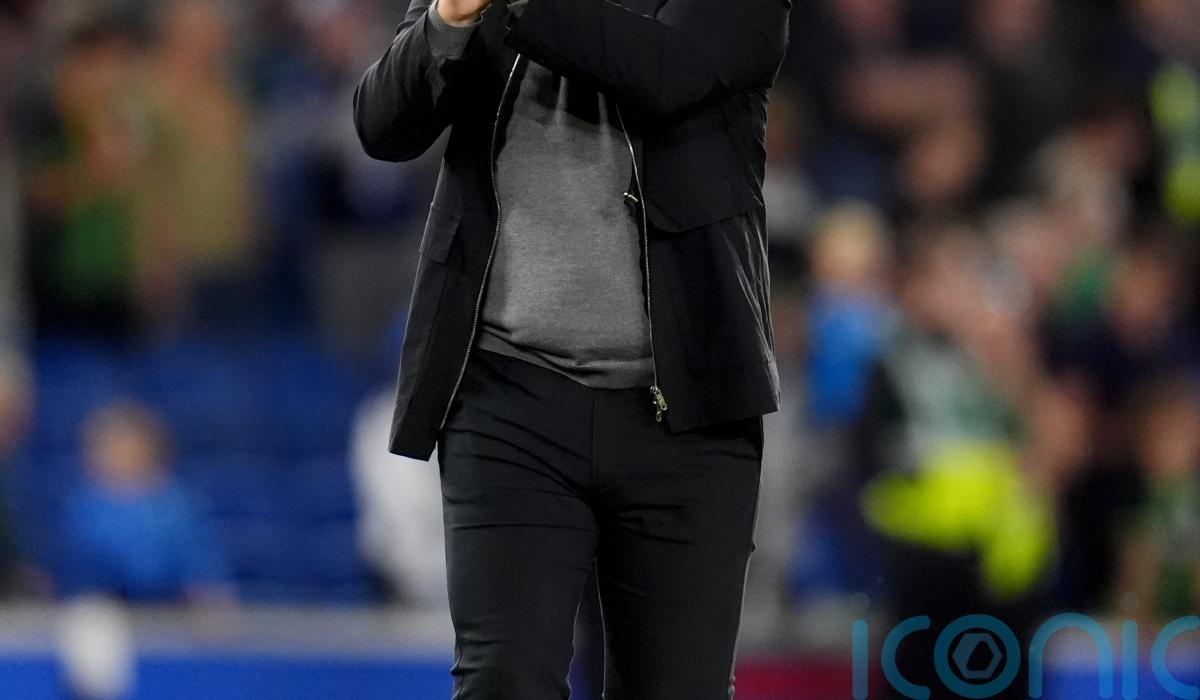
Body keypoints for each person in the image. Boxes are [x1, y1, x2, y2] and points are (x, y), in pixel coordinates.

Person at [353, 0, 790, 696]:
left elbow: (667, 73)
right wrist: (447, 20)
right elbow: (383, 125)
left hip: (688, 411)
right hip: (507, 391)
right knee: (503, 679)